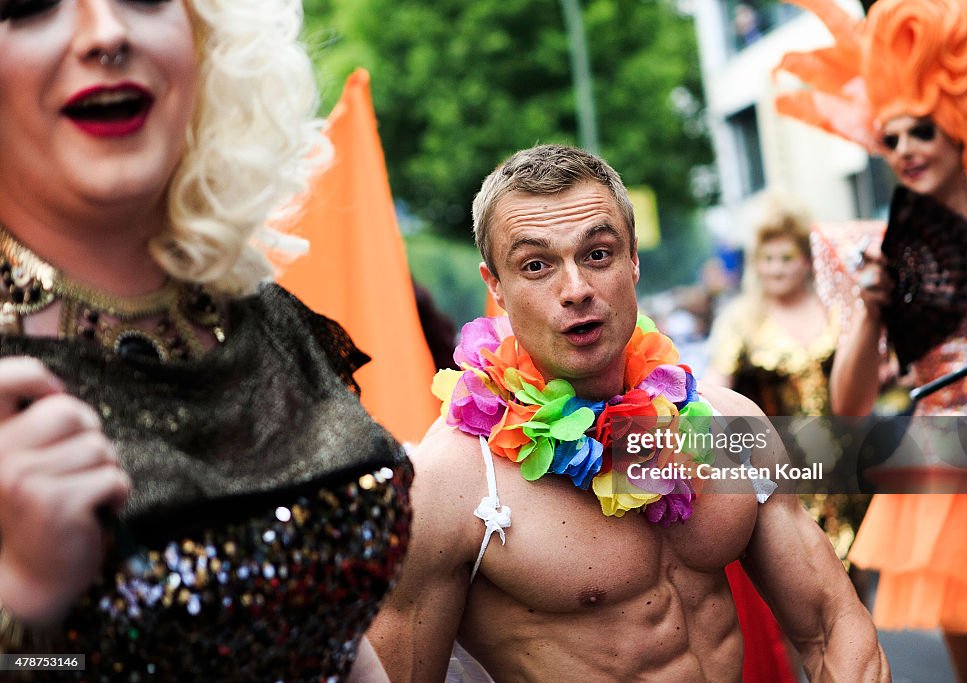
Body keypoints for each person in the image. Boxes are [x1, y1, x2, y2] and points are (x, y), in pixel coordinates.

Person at [367, 143, 888, 681]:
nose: (576, 290)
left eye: (597, 254)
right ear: (495, 286)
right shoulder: (450, 482)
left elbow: (834, 628)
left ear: (634, 259)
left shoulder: (727, 423)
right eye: (537, 265)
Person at [0, 0, 409, 679]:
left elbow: (336, 638)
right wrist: (19, 603)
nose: (106, 33)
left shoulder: (270, 321)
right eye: (28, 5)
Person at [777, 0, 967, 679]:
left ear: (963, 123)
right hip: (960, 488)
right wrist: (871, 312)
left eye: (924, 128)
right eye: (892, 138)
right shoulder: (872, 257)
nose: (909, 148)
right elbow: (849, 408)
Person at [706, 192, 837, 416]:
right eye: (768, 259)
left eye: (786, 258)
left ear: (806, 261)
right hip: (775, 447)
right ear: (756, 263)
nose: (777, 270)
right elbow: (715, 389)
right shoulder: (740, 319)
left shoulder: (835, 309)